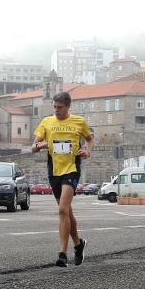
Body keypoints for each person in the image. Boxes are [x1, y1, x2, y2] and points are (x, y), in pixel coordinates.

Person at [33, 91, 93, 268]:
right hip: (54, 171)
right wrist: (40, 145)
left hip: (72, 169)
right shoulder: (47, 122)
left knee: (62, 210)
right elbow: (32, 147)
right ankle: (78, 244)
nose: (56, 110)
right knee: (67, 212)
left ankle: (62, 254)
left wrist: (87, 151)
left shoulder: (78, 121)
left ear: (68, 107)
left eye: (59, 108)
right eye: (54, 107)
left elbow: (90, 140)